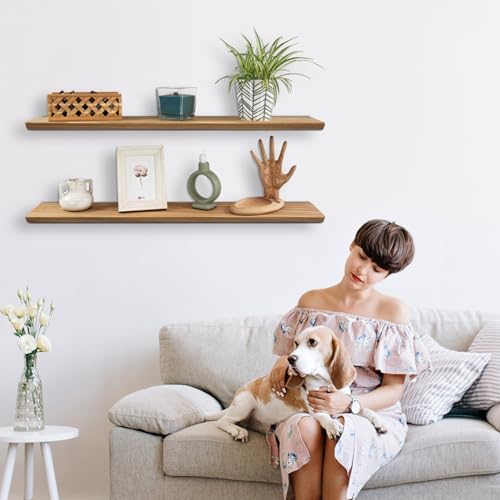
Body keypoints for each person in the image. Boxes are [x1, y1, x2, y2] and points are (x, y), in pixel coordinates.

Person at [269, 219, 431, 500]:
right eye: (361, 257)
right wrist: (283, 363)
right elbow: (290, 355)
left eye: (376, 269)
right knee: (304, 427)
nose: (362, 270)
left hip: (368, 411)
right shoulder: (312, 301)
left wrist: (350, 404)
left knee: (344, 429)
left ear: (388, 274)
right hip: (311, 405)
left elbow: (394, 390)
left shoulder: (393, 312)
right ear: (351, 246)